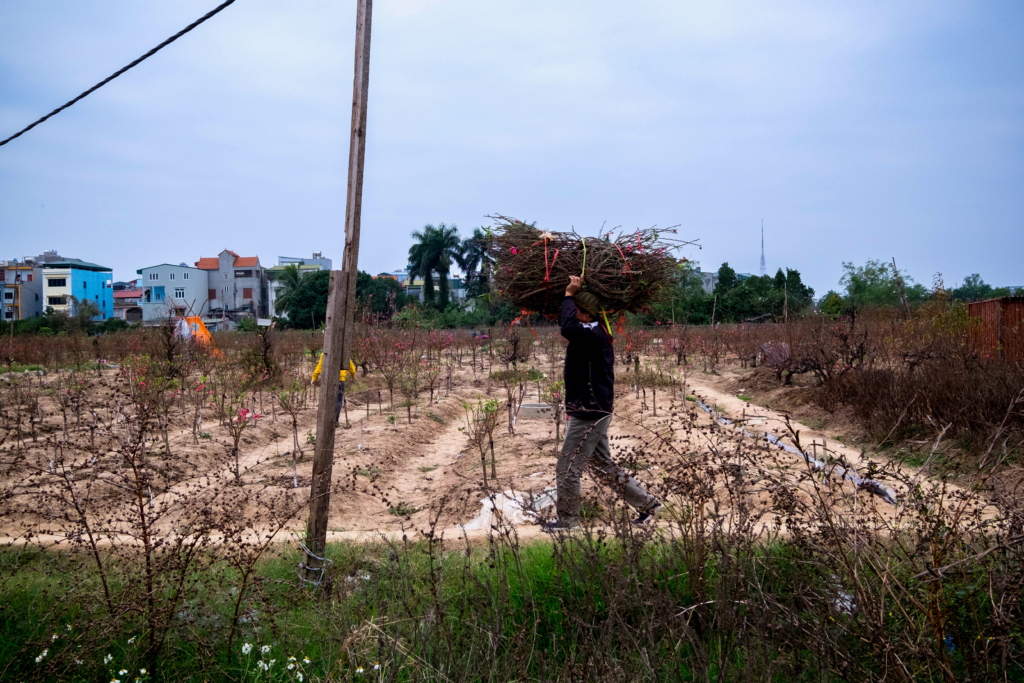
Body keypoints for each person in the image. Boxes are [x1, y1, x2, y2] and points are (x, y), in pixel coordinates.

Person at [542, 275, 662, 531]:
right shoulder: (595, 332)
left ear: (584, 314)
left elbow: (567, 328)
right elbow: (569, 327)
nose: (571, 316)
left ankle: (568, 521)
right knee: (602, 465)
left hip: (590, 410)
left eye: (575, 311)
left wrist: (567, 294)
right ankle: (650, 506)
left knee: (569, 465)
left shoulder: (590, 332)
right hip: (592, 408)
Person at [311, 352, 357, 422]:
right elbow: (351, 366)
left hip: (328, 380)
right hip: (340, 380)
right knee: (338, 400)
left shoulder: (324, 354)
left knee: (328, 399)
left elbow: (320, 366)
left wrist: (314, 377)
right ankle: (335, 420)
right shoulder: (344, 354)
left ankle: (326, 419)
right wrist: (353, 374)